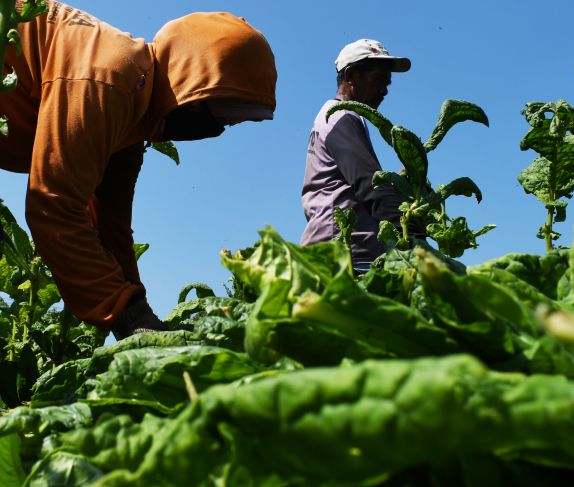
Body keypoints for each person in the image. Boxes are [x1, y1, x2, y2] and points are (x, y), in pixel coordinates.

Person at [0, 1, 277, 339]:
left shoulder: (133, 121)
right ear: (192, 79)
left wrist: (137, 302)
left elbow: (111, 229)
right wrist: (128, 315)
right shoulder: (114, 76)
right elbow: (53, 203)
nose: (222, 127)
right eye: (224, 112)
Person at [300, 39, 410, 273]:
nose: (385, 91)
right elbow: (370, 185)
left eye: (388, 83)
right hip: (345, 258)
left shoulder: (339, 116)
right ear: (351, 75)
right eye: (379, 80)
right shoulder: (340, 116)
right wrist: (415, 236)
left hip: (340, 255)